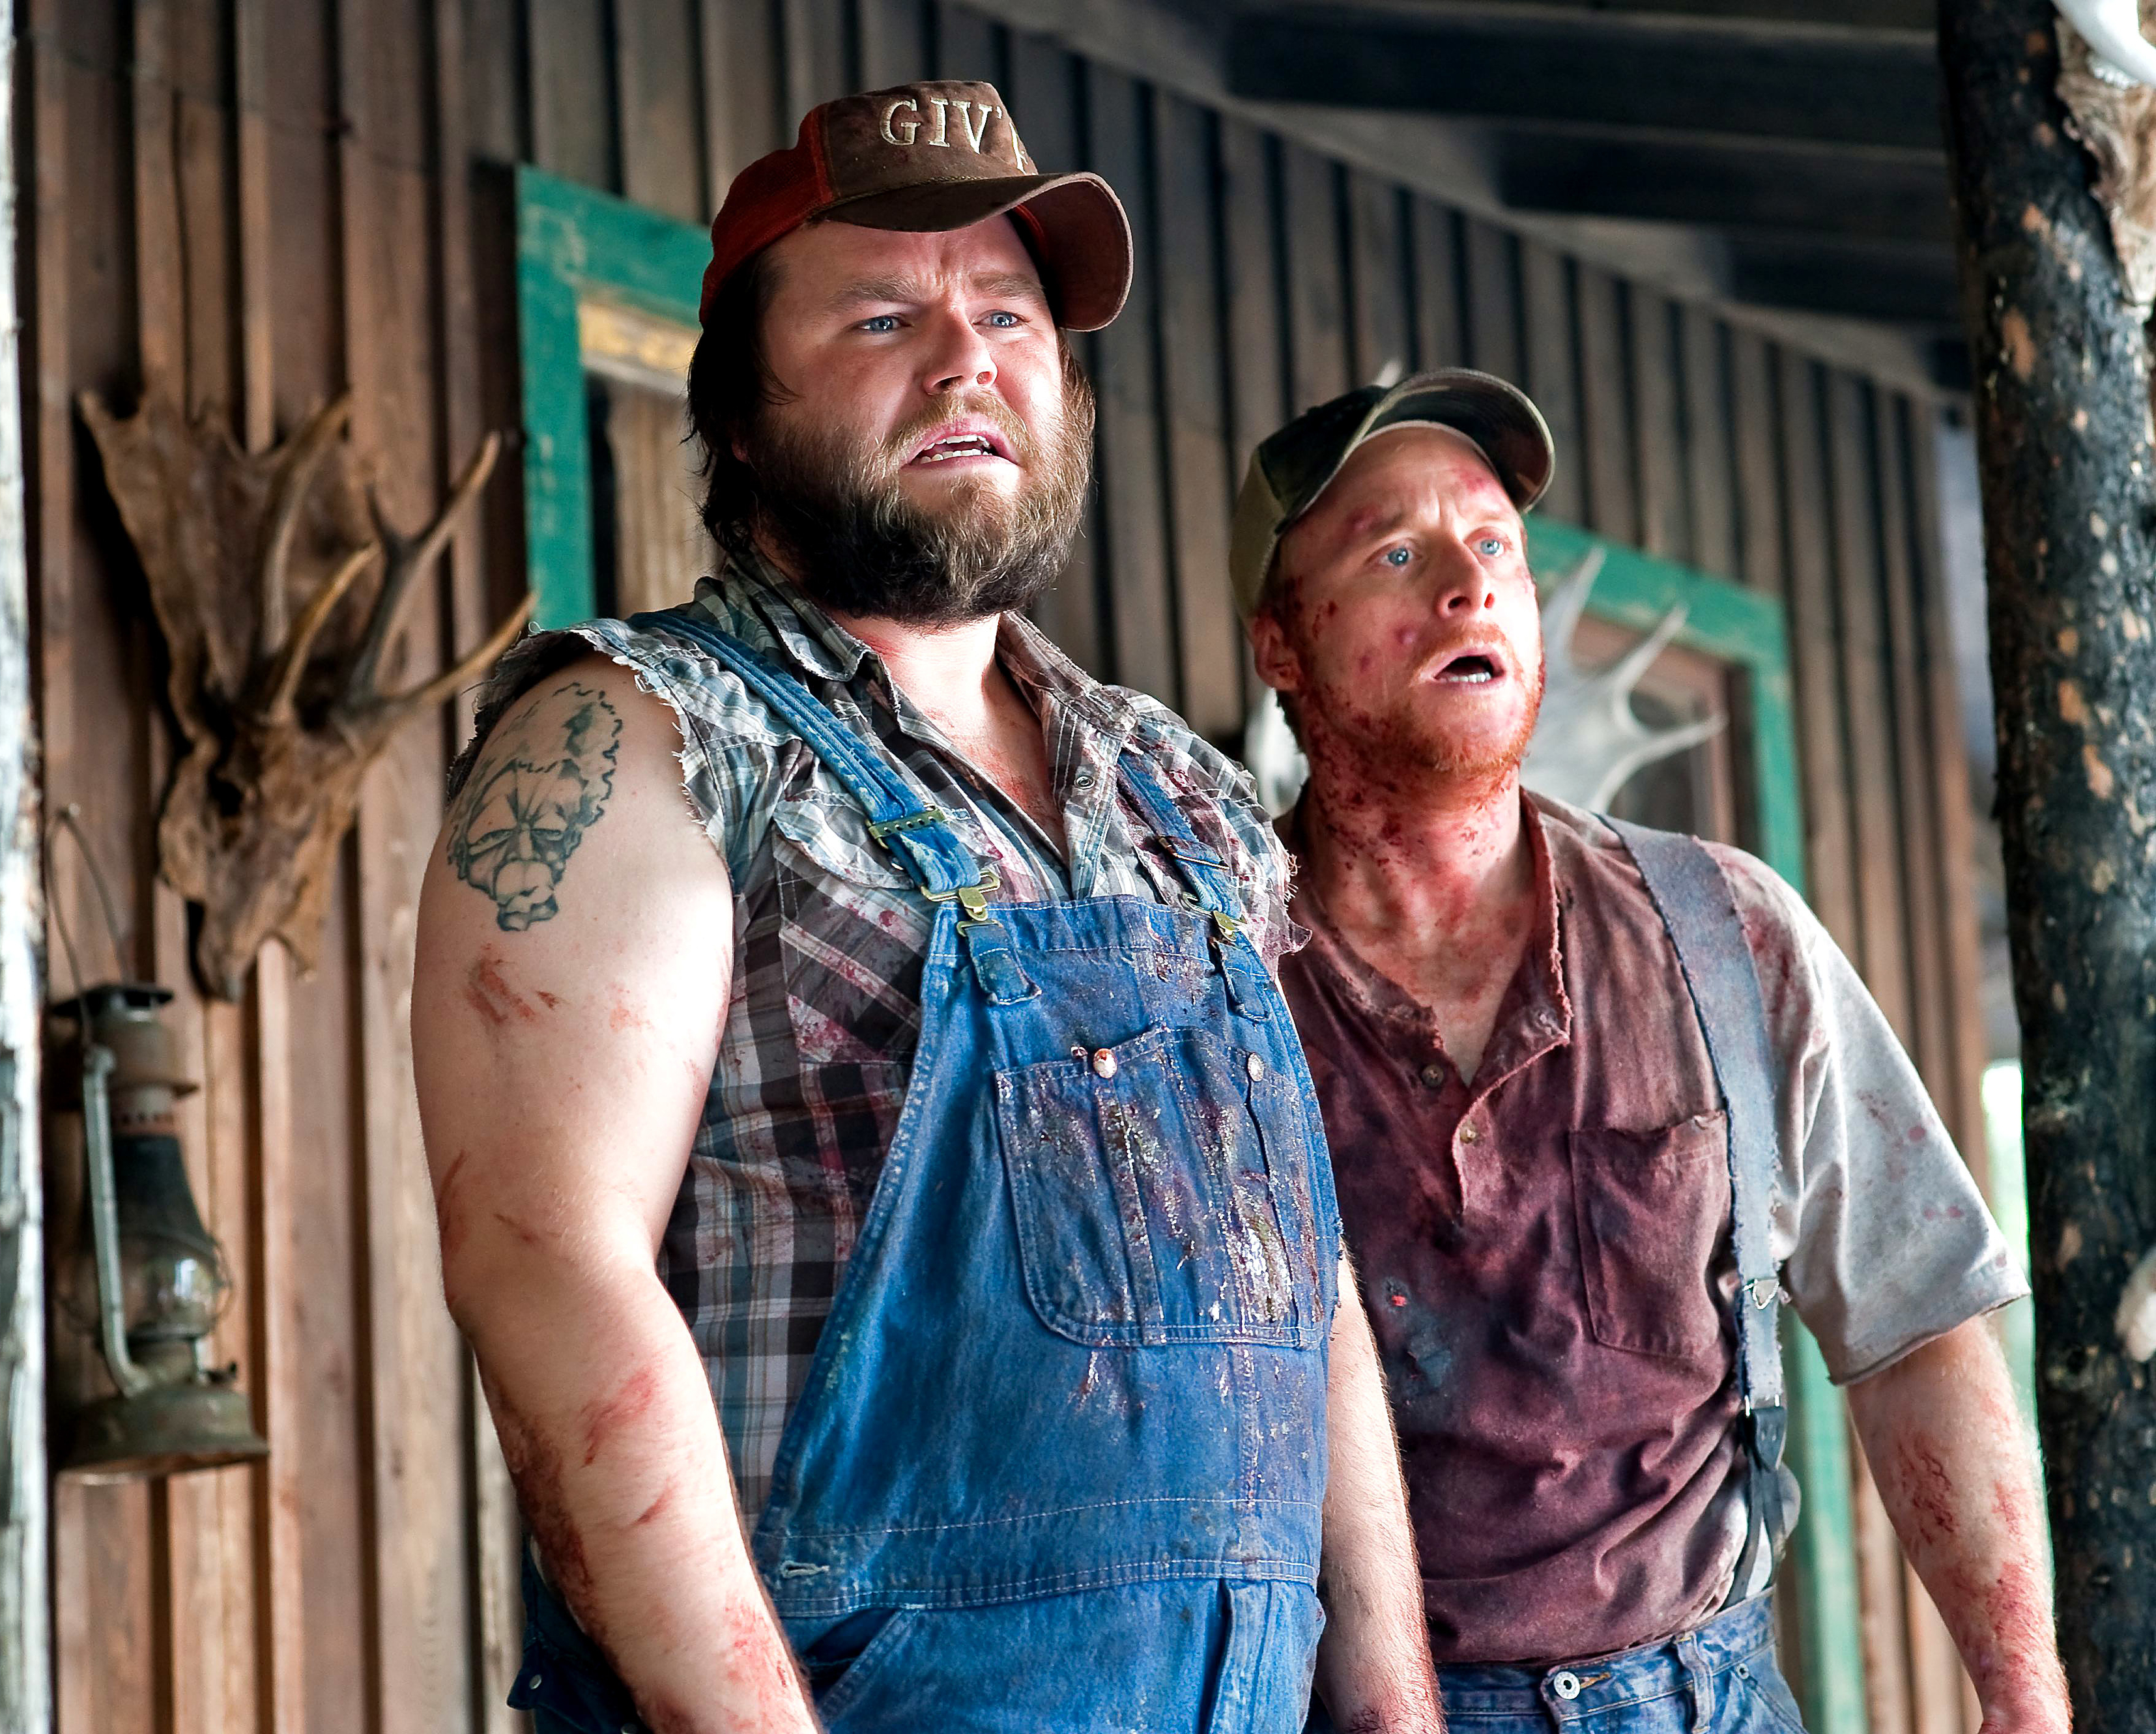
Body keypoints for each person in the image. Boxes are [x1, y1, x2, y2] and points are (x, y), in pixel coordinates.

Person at [410, 79, 1440, 1734]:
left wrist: (1389, 1703)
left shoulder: (1177, 790)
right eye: (883, 313)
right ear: (738, 416)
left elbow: (1293, 1269)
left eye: (1009, 312)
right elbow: (546, 1261)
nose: (966, 358)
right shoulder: (641, 736)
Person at [1231, 369, 2070, 1732]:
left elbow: (1916, 1315)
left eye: (1492, 542)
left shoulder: (1719, 930)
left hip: (1701, 1695)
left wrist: (2019, 1692)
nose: (1467, 583)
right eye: (1394, 551)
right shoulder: (1214, 984)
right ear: (1278, 641)